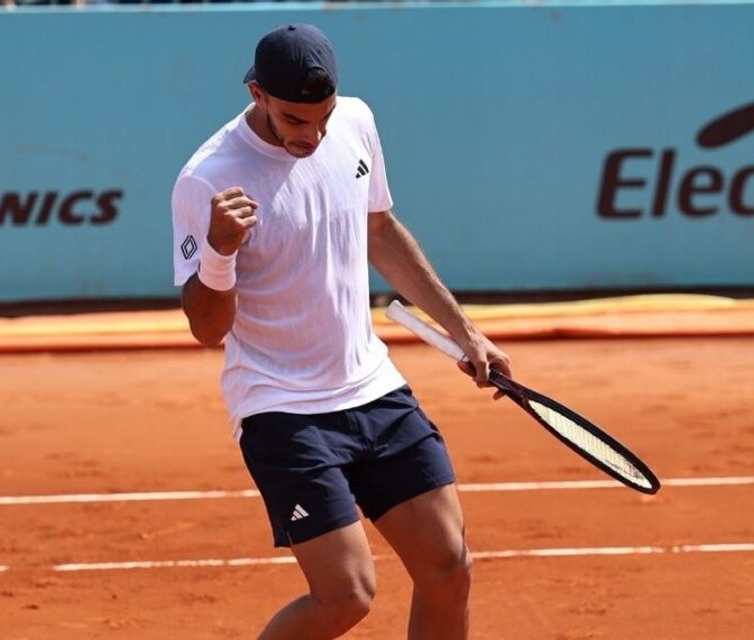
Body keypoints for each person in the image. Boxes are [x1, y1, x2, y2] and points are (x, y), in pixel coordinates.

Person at [170, 23, 511, 640]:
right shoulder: (208, 178)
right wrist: (219, 251)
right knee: (345, 596)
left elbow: (380, 230)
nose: (314, 135)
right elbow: (207, 328)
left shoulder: (355, 122)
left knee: (449, 567)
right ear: (256, 94)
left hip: (373, 388)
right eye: (295, 120)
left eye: (323, 117)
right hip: (281, 407)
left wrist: (465, 331)